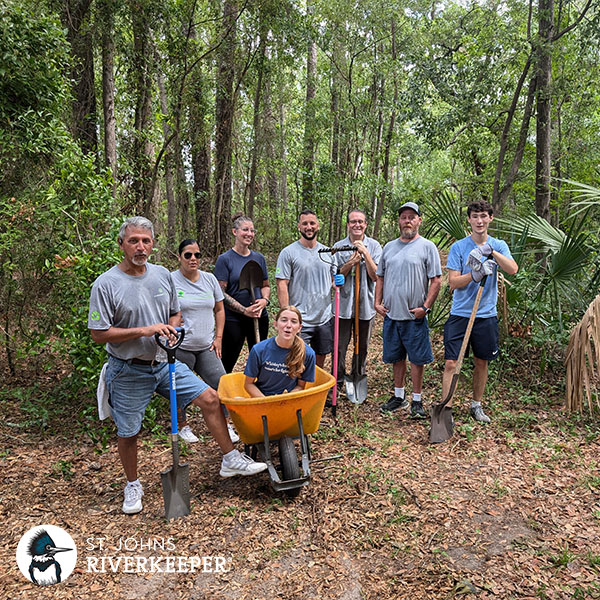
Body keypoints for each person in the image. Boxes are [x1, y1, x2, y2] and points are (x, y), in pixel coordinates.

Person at [88, 216, 267, 515]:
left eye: (146, 240)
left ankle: (229, 458)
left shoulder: (161, 276)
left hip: (164, 362)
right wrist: (145, 330)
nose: (140, 246)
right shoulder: (106, 284)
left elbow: (174, 313)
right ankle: (132, 484)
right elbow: (98, 333)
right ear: (121, 244)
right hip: (128, 368)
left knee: (211, 398)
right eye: (133, 240)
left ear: (153, 244)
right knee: (129, 432)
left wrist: (171, 328)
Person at [442, 200, 518, 423]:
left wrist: (492, 253)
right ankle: (446, 408)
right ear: (469, 220)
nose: (479, 220)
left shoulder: (499, 245)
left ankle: (476, 405)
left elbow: (513, 269)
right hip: (460, 314)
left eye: (483, 216)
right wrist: (474, 276)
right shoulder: (459, 247)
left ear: (490, 218)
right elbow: (453, 282)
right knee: (451, 363)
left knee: (481, 361)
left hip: (485, 315)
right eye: (475, 216)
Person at [375, 202, 442, 418]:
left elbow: (436, 280)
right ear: (399, 221)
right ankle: (398, 396)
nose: (407, 221)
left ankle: (417, 400)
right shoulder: (389, 247)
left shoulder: (427, 247)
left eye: (412, 217)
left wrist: (426, 307)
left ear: (419, 220)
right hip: (392, 314)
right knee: (396, 357)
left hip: (415, 316)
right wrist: (377, 302)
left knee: (417, 359)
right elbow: (380, 276)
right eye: (404, 217)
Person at [171, 239, 239, 444]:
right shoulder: (171, 280)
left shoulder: (209, 279)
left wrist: (219, 338)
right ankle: (182, 426)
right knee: (181, 388)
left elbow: (219, 309)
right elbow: (162, 307)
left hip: (206, 345)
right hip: (181, 345)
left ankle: (227, 424)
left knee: (222, 383)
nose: (193, 259)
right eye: (188, 255)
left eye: (197, 255)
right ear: (179, 257)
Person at [276, 210, 335, 368]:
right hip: (300, 318)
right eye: (305, 224)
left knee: (320, 356)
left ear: (318, 226)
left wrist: (337, 282)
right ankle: (296, 390)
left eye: (312, 223)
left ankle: (314, 386)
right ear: (299, 227)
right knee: (296, 357)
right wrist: (287, 314)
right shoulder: (288, 253)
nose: (309, 227)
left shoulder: (328, 252)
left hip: (324, 317)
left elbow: (332, 280)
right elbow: (282, 283)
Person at [332, 208, 382, 393]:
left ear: (366, 224)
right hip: (343, 306)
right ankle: (337, 380)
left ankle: (357, 377)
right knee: (339, 347)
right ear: (348, 225)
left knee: (362, 346)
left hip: (366, 306)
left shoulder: (375, 246)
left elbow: (376, 275)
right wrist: (350, 263)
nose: (357, 225)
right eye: (353, 221)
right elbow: (335, 276)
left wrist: (365, 254)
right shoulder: (338, 246)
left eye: (360, 221)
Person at [214, 215, 270, 373]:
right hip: (234, 319)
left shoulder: (259, 258)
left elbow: (265, 285)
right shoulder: (225, 259)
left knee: (259, 357)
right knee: (227, 360)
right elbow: (221, 294)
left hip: (258, 316)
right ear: (234, 232)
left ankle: (257, 392)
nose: (249, 234)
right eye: (245, 229)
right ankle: (223, 393)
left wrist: (264, 301)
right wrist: (244, 310)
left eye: (252, 230)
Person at [244, 306, 316, 397]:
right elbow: (248, 384)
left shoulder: (307, 354)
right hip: (262, 399)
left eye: (294, 321)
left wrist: (283, 401)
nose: (288, 325)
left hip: (288, 400)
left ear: (299, 328)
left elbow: (300, 386)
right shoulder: (259, 350)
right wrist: (267, 402)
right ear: (275, 325)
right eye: (284, 320)